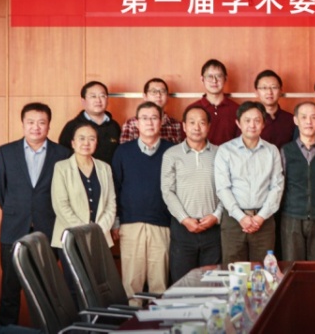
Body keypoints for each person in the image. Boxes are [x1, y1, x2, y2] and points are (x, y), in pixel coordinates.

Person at [0, 103, 70, 325]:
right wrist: (20, 210)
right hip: (13, 229)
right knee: (9, 290)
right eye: (31, 122)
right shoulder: (6, 152)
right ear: (23, 124)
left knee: (47, 291)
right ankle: (6, 330)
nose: (36, 127)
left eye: (41, 122)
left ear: (49, 125)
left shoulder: (62, 153)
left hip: (49, 229)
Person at [111, 102, 174, 304]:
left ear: (161, 122)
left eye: (154, 118)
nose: (149, 122)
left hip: (162, 224)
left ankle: (157, 320)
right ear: (137, 123)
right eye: (144, 118)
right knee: (132, 283)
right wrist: (116, 222)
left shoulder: (172, 151)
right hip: (130, 223)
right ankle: (132, 320)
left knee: (159, 283)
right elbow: (114, 188)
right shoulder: (123, 151)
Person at [51, 122, 117, 300]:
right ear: (73, 143)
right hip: (70, 238)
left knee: (99, 288)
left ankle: (96, 319)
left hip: (99, 239)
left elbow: (111, 203)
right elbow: (61, 205)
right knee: (74, 288)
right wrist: (84, 232)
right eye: (81, 138)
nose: (86, 143)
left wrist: (97, 231)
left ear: (96, 143)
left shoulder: (104, 168)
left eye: (91, 138)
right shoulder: (61, 167)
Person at [215, 102, 284, 265]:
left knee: (263, 270)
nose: (252, 125)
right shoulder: (225, 150)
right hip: (233, 221)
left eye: (257, 120)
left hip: (264, 220)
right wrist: (241, 217)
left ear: (263, 124)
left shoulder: (272, 150)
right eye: (247, 120)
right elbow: (223, 188)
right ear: (238, 123)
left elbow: (277, 186)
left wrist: (260, 217)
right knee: (233, 270)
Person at [161, 106, 222, 284]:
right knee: (182, 284)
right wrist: (185, 219)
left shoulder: (220, 153)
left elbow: (227, 190)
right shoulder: (171, 154)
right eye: (192, 122)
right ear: (184, 126)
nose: (197, 127)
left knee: (212, 284)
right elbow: (167, 191)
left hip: (213, 229)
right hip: (182, 229)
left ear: (209, 126)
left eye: (202, 123)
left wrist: (216, 216)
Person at [280, 101, 315, 261]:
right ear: (296, 120)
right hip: (292, 217)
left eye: (313, 117)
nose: (308, 122)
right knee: (292, 267)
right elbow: (279, 187)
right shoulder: (286, 151)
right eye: (303, 117)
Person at [59, 81, 121, 163]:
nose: (98, 100)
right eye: (93, 96)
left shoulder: (114, 126)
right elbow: (63, 157)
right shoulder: (72, 126)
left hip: (109, 171)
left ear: (107, 100)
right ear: (83, 101)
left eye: (102, 96)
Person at [188, 59, 240, 145]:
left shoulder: (237, 109)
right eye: (209, 76)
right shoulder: (192, 109)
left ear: (225, 78)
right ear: (202, 79)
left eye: (219, 76)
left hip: (229, 154)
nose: (214, 80)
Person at [119, 78, 184, 144]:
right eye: (153, 91)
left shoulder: (176, 125)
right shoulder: (131, 124)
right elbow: (125, 149)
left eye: (162, 91)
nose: (158, 95)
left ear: (167, 96)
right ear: (145, 96)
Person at [255, 69, 296, 149]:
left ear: (280, 91)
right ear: (256, 92)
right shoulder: (249, 120)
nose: (269, 92)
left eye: (274, 87)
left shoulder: (291, 120)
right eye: (264, 88)